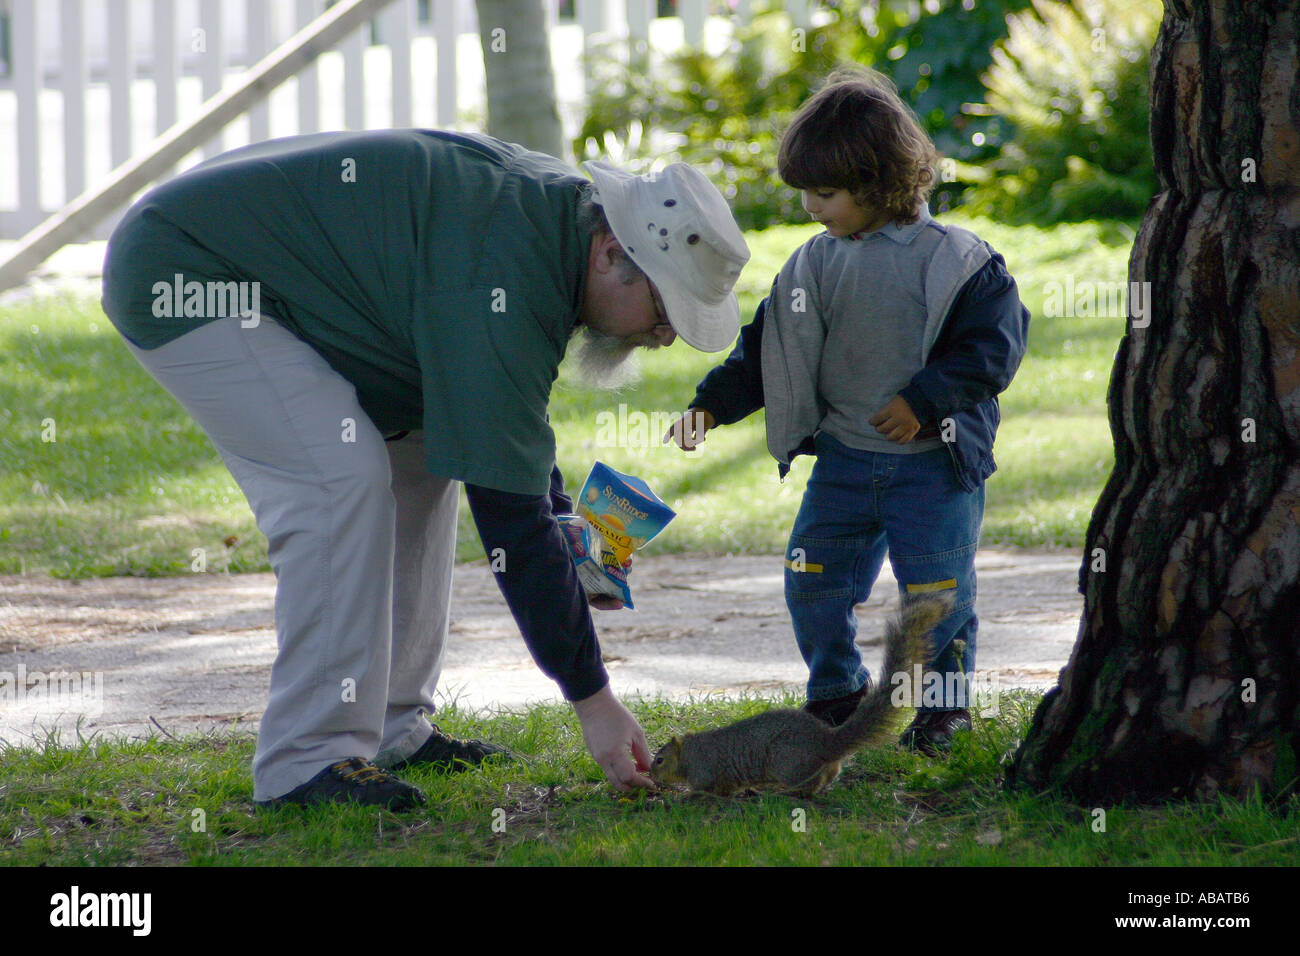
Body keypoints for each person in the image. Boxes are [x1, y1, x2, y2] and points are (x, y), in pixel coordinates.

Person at [100, 128, 750, 808]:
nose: (665, 335)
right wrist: (595, 701)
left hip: (246, 268)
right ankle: (304, 760)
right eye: (666, 308)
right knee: (337, 479)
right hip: (185, 269)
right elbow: (509, 521)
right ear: (613, 253)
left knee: (417, 456)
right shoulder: (511, 263)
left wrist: (569, 531)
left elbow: (500, 428)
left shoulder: (553, 233)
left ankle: (393, 728)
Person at [665, 66, 1030, 754]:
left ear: (877, 181)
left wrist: (924, 401)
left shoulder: (958, 262)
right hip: (843, 462)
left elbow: (993, 350)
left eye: (824, 192)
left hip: (935, 466)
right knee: (811, 577)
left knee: (939, 594)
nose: (810, 206)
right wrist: (709, 408)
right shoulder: (814, 265)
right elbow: (767, 351)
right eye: (805, 189)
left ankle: (942, 709)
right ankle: (835, 691)